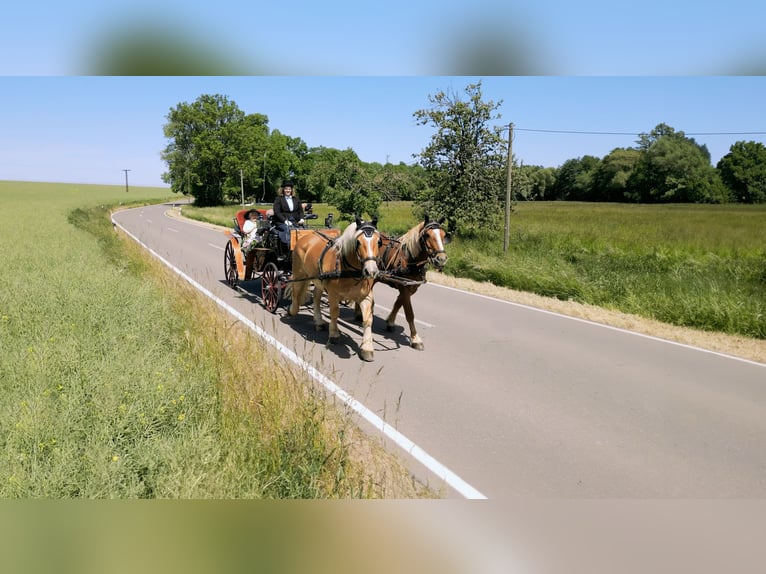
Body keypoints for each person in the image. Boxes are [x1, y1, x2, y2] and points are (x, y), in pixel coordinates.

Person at [272, 179, 305, 251]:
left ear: (292, 190)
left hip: (295, 221)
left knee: (304, 230)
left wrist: (302, 218)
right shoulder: (278, 199)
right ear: (283, 190)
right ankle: (288, 249)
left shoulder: (296, 199)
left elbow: (300, 211)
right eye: (286, 189)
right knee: (288, 230)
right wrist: (285, 221)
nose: (288, 190)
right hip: (282, 221)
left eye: (289, 189)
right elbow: (277, 212)